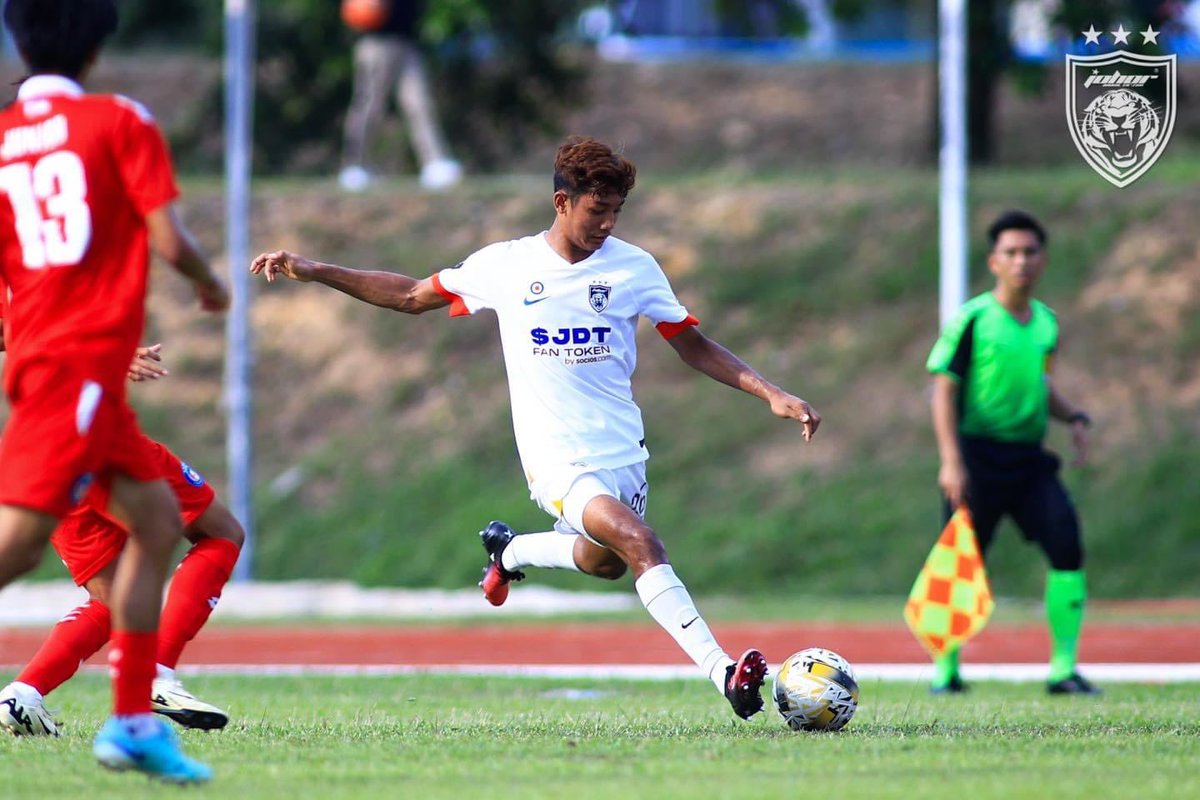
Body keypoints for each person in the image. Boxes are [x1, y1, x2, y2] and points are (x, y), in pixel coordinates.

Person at [252, 136, 820, 720]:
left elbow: (692, 345)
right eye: (596, 210)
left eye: (616, 212)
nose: (607, 224)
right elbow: (409, 295)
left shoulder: (634, 268)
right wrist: (316, 269)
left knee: (607, 561)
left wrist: (770, 393)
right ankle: (724, 672)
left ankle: (510, 551)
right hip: (554, 458)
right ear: (561, 201)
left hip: (623, 450)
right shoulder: (506, 265)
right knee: (642, 544)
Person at [0, 0, 228, 782]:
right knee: (20, 545)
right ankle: (131, 709)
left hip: (70, 372)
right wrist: (208, 282)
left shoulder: (2, 143)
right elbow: (166, 236)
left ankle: (131, 722)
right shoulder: (117, 118)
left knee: (162, 525)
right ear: (97, 45)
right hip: (73, 377)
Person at [0, 348, 243, 737]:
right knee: (220, 533)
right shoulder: (68, 289)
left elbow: (20, 324)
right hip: (99, 435)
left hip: (38, 447)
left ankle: (25, 694)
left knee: (113, 601)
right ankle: (154, 673)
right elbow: (64, 317)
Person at [926, 209, 1097, 696]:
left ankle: (1063, 670)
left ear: (1043, 260)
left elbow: (1041, 385)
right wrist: (951, 460)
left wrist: (1075, 417)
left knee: (1066, 543)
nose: (1021, 261)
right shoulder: (973, 319)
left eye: (1030, 252)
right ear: (994, 261)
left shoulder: (1046, 323)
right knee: (962, 561)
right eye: (1011, 252)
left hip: (1029, 460)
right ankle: (947, 671)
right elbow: (942, 390)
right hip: (976, 459)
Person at [338, 0, 462, 192]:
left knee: (419, 104)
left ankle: (434, 163)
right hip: (377, 42)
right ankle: (355, 166)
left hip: (407, 42)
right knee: (369, 107)